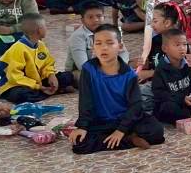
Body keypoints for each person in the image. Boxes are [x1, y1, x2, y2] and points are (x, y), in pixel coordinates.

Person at [70, 24, 166, 153]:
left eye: (110, 43)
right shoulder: (88, 69)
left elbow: (136, 106)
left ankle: (121, 137)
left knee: (156, 131)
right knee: (79, 144)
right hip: (101, 121)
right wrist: (82, 126)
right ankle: (130, 140)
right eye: (98, 43)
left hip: (125, 119)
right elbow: (85, 100)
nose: (104, 47)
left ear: (120, 47)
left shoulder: (129, 74)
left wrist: (121, 130)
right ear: (93, 47)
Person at [0, 13, 74, 103]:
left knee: (67, 76)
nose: (47, 29)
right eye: (45, 26)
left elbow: (47, 63)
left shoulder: (40, 44)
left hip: (36, 81)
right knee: (22, 95)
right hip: (13, 84)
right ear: (39, 30)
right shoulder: (18, 48)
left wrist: (51, 75)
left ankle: (45, 92)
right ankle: (50, 91)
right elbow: (15, 77)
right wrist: (39, 87)